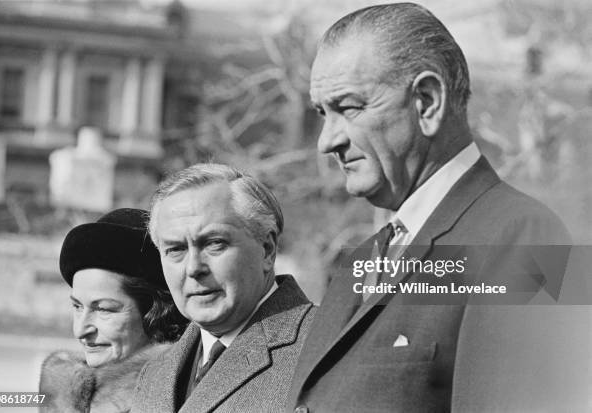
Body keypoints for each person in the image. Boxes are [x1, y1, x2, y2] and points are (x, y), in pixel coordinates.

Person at [286, 3, 588, 412]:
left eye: (349, 107)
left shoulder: (529, 238)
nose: (326, 141)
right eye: (323, 113)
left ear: (427, 102)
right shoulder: (360, 262)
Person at [131, 164, 316, 413]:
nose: (193, 268)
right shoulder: (154, 374)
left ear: (267, 249)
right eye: (175, 249)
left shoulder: (324, 350)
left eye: (215, 243)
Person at [39, 208, 188, 413]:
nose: (80, 330)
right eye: (77, 306)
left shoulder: (186, 397)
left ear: (156, 313)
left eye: (103, 310)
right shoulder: (64, 391)